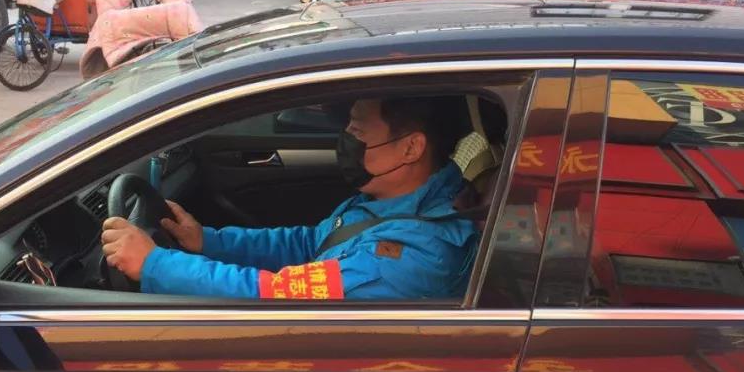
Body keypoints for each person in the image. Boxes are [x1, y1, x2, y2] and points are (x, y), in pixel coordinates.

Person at [101, 98, 478, 301]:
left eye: (358, 129)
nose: (346, 136)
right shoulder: (395, 201)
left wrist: (155, 264)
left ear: (411, 148)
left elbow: (275, 293)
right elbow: (310, 243)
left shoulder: (408, 254)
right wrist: (208, 241)